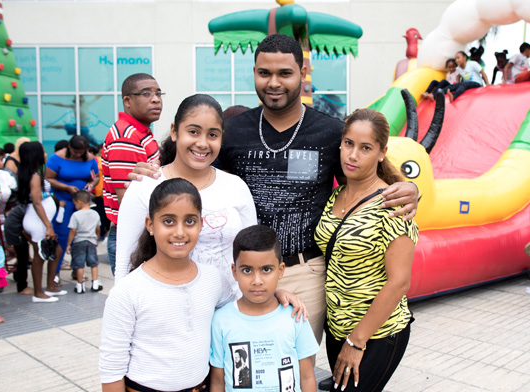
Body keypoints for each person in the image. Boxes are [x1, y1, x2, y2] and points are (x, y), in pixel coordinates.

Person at [129, 34, 419, 351]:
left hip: (304, 273)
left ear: (302, 72)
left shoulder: (330, 132)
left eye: (285, 73)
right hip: (240, 275)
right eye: (264, 73)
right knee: (244, 370)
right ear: (254, 72)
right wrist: (154, 171)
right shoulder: (234, 132)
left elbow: (364, 178)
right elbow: (194, 169)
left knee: (293, 371)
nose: (274, 82)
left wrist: (408, 186)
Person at [100, 178, 305, 392]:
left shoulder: (212, 279)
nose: (180, 232)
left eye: (189, 221)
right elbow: (111, 369)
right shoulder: (128, 291)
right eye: (168, 221)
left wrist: (276, 294)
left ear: (200, 224)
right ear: (150, 225)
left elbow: (242, 304)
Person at [314, 109, 418, 392]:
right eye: (348, 144)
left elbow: (399, 283)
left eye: (365, 148)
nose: (352, 155)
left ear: (382, 152)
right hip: (337, 328)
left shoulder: (393, 206)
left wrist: (356, 341)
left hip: (377, 333)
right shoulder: (336, 195)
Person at [115, 94, 257, 296]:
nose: (202, 143)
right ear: (174, 131)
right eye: (193, 131)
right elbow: (124, 265)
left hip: (228, 312)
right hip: (167, 313)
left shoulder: (236, 187)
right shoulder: (144, 187)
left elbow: (252, 256)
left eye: (213, 135)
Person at [210, 225, 318, 392]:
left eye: (266, 270)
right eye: (247, 270)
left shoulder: (295, 315)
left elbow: (307, 376)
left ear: (280, 270)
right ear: (234, 271)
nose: (257, 280)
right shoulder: (221, 320)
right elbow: (218, 381)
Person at [102, 73, 163, 276]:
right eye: (146, 94)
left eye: (158, 93)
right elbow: (128, 201)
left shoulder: (139, 133)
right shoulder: (125, 137)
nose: (155, 99)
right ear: (127, 100)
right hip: (134, 236)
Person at [18, 141, 66, 303]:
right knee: (40, 256)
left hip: (38, 219)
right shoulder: (34, 176)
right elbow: (37, 202)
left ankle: (50, 286)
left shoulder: (35, 173)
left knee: (56, 251)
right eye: (43, 152)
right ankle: (38, 293)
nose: (46, 155)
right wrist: (48, 225)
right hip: (38, 221)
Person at [45, 135, 99, 280]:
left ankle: (77, 270)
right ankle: (55, 273)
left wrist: (91, 185)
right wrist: (66, 187)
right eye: (75, 151)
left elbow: (96, 176)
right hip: (64, 201)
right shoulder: (57, 158)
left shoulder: (89, 158)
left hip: (82, 201)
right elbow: (48, 178)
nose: (77, 155)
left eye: (80, 152)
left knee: (80, 237)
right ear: (69, 147)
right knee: (62, 235)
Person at [65, 190, 102, 294]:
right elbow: (98, 228)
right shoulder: (95, 214)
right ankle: (95, 283)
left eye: (75, 203)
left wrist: (69, 244)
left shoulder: (76, 215)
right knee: (94, 263)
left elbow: (73, 230)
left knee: (79, 264)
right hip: (91, 241)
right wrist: (97, 239)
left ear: (80, 202)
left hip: (79, 242)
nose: (75, 205)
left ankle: (80, 285)